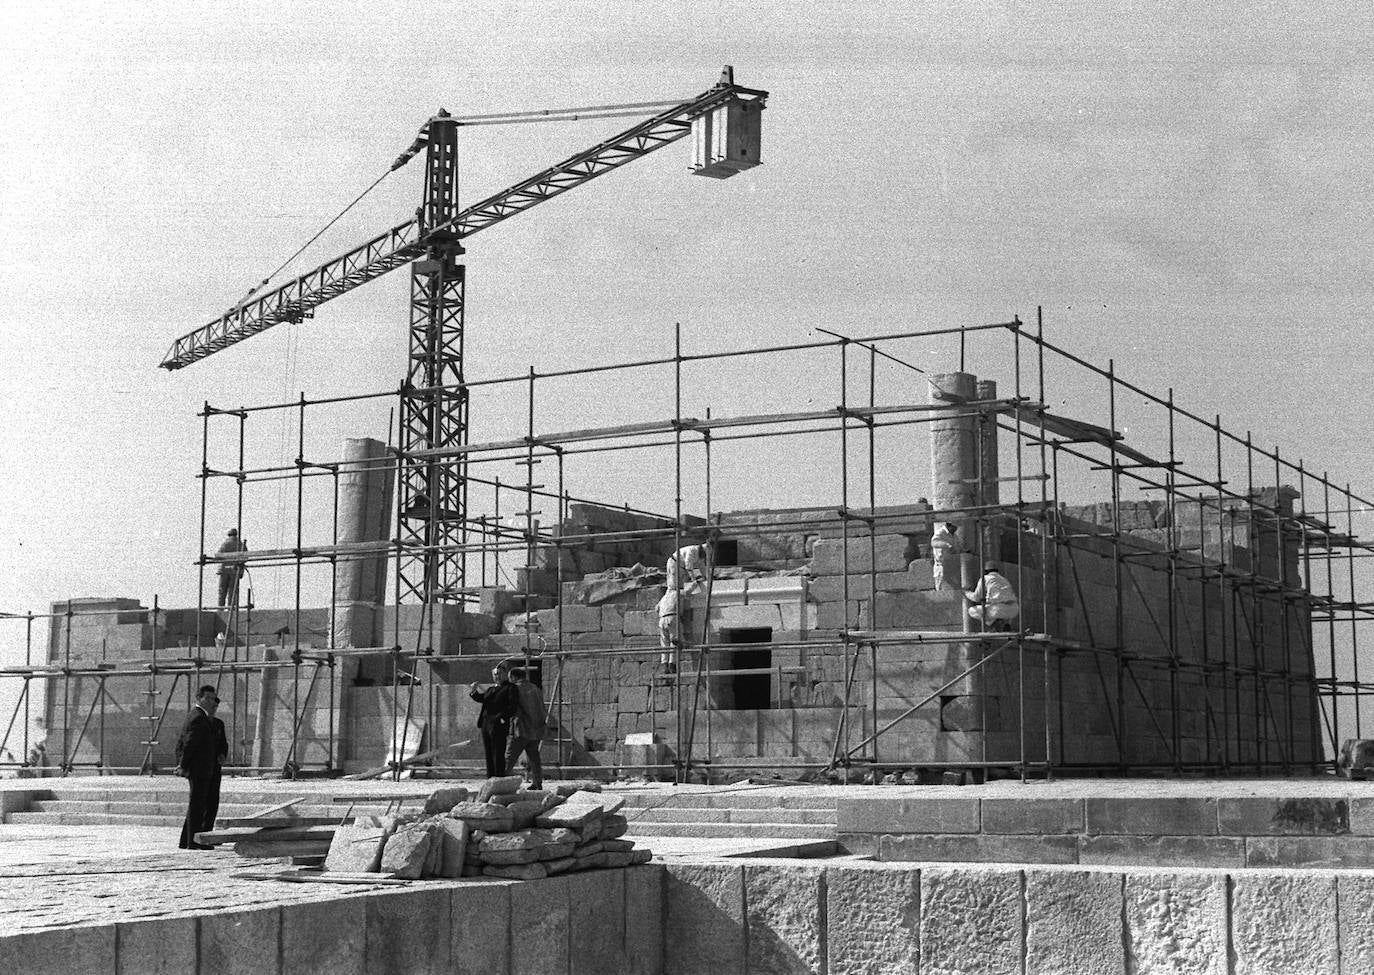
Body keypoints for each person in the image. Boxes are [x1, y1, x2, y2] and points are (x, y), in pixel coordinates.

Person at [176, 685, 228, 850]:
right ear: (199, 698)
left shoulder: (201, 717)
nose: (212, 701)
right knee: (197, 805)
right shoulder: (198, 717)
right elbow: (188, 744)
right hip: (199, 769)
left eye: (213, 698)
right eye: (208, 698)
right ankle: (194, 841)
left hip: (205, 768)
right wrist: (182, 765)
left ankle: (187, 840)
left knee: (199, 804)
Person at [469, 662, 518, 778]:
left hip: (498, 724)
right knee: (489, 752)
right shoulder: (491, 689)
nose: (497, 676)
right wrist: (474, 691)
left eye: (500, 674)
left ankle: (499, 776)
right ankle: (490, 777)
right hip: (486, 724)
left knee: (498, 751)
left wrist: (501, 718)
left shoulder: (510, 688)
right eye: (495, 674)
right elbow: (482, 698)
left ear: (506, 674)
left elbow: (512, 707)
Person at [504, 667, 547, 790]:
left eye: (510, 678)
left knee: (509, 758)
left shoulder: (515, 688)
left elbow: (512, 708)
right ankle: (537, 783)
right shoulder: (536, 688)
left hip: (521, 729)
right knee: (534, 757)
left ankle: (499, 783)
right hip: (536, 729)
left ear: (513, 677)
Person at [965, 561, 1020, 632]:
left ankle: (994, 624)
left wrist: (966, 593)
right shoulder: (1004, 579)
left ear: (986, 571)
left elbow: (976, 597)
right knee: (995, 610)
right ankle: (1003, 624)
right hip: (1014, 610)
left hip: (998, 610)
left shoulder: (985, 578)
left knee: (972, 610)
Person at [216, 528, 247, 608]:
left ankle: (220, 609)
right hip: (235, 570)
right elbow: (245, 558)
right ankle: (231, 609)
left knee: (222, 591)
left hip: (224, 570)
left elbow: (218, 556)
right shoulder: (241, 545)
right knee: (232, 591)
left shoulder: (225, 544)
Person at [929, 522, 962, 590]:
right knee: (942, 588)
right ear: (949, 525)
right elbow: (934, 543)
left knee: (953, 588)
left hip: (952, 565)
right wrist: (946, 545)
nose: (956, 529)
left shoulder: (955, 536)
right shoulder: (940, 532)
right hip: (941, 566)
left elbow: (958, 547)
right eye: (954, 527)